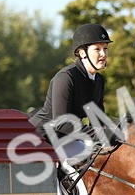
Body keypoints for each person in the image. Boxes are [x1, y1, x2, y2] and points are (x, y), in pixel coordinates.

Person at [29, 23, 114, 157]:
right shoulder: (66, 77)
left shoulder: (99, 81)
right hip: (41, 138)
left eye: (105, 48)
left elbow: (97, 120)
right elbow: (61, 123)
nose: (103, 54)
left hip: (66, 139)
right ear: (82, 53)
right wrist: (102, 134)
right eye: (97, 49)